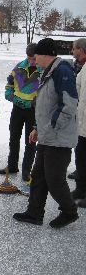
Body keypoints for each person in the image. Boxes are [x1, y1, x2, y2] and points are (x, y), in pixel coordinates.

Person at [13, 38, 78, 228]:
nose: (34, 60)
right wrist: (36, 128)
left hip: (58, 139)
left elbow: (68, 105)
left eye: (36, 56)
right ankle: (34, 212)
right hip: (47, 137)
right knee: (38, 176)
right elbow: (44, 106)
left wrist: (48, 130)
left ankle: (69, 211)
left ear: (44, 55)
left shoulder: (62, 72)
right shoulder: (48, 72)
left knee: (55, 179)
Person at [0, 43, 42, 181]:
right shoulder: (19, 67)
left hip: (33, 110)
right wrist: (11, 97)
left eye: (34, 58)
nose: (32, 61)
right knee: (13, 137)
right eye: (29, 58)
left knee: (30, 141)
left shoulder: (43, 71)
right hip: (17, 109)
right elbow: (9, 85)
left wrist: (33, 102)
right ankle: (12, 166)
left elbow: (46, 93)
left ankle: (26, 170)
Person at [70, 38, 86, 207]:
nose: (72, 51)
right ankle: (81, 189)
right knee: (81, 157)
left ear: (81, 50)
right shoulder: (81, 68)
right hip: (81, 124)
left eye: (74, 49)